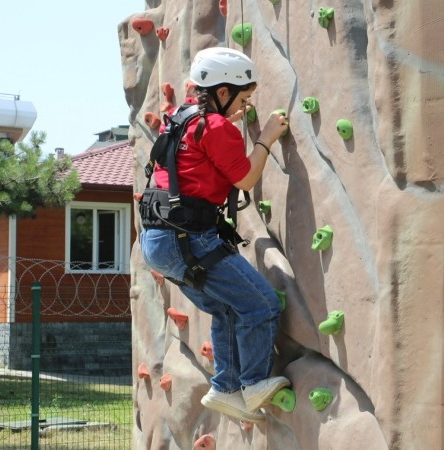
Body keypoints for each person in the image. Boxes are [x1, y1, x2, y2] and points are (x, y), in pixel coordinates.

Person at [140, 47, 290, 423]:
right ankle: (253, 382)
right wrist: (266, 137)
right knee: (261, 305)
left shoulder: (180, 117)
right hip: (189, 239)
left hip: (159, 241)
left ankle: (225, 387)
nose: (246, 104)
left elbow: (195, 155)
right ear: (223, 93)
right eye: (243, 97)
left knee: (226, 308)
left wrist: (230, 119)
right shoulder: (218, 128)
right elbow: (244, 178)